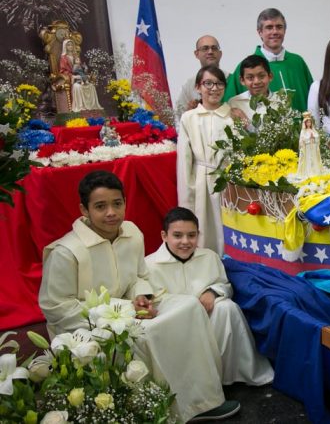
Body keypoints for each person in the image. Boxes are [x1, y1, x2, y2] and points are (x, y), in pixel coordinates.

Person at [38, 171, 240, 422]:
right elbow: (56, 307)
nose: (111, 212)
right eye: (100, 206)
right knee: (152, 333)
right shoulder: (67, 252)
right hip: (88, 325)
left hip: (131, 309)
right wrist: (115, 314)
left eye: (117, 204)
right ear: (84, 210)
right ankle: (165, 409)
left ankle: (203, 401)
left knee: (189, 307)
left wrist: (142, 297)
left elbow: (138, 277)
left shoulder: (132, 233)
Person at [145, 207, 274, 386]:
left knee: (227, 308)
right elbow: (149, 302)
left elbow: (225, 285)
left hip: (207, 321)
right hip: (172, 326)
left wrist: (212, 292)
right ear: (164, 235)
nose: (185, 241)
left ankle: (223, 377)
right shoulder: (149, 265)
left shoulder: (209, 257)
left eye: (191, 235)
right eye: (177, 235)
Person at [177, 66, 234, 255]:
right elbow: (184, 161)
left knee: (229, 227)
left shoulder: (232, 117)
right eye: (208, 83)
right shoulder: (189, 118)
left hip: (229, 181)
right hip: (202, 180)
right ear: (198, 87)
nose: (214, 88)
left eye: (219, 84)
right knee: (205, 227)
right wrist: (187, 195)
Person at [224, 8, 313, 112]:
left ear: (284, 30)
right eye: (269, 27)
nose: (275, 32)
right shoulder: (245, 67)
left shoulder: (297, 62)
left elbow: (313, 99)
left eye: (279, 27)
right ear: (260, 32)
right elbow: (228, 107)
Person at [175, 35, 225, 128]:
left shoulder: (231, 79)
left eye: (214, 48)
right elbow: (179, 117)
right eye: (205, 48)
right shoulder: (189, 85)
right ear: (196, 54)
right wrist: (189, 112)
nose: (210, 51)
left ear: (220, 53)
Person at [227, 54, 278, 124]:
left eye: (261, 76)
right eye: (250, 78)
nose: (256, 82)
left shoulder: (281, 101)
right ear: (242, 80)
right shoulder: (235, 103)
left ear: (270, 76)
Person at [59, 39, 102, 112]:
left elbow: (80, 68)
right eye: (68, 45)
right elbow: (62, 71)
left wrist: (84, 71)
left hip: (80, 77)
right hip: (71, 79)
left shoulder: (76, 56)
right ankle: (80, 107)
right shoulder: (63, 58)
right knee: (77, 87)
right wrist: (72, 76)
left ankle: (91, 107)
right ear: (65, 47)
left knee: (91, 86)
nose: (70, 46)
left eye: (72, 44)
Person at [297, 112, 323, 179]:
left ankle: (316, 171)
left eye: (310, 122)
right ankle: (308, 171)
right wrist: (309, 138)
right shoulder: (303, 131)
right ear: (305, 123)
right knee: (308, 159)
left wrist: (314, 137)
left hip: (313, 146)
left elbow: (317, 137)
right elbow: (302, 140)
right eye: (307, 122)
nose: (309, 124)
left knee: (314, 158)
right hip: (307, 147)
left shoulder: (313, 130)